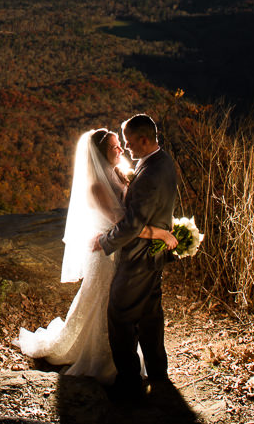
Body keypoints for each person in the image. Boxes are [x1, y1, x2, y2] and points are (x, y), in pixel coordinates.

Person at [17, 128, 177, 383]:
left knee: (120, 306)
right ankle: (106, 359)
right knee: (107, 304)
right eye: (115, 147)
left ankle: (127, 360)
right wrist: (160, 233)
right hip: (105, 253)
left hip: (119, 248)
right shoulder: (96, 186)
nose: (120, 150)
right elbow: (124, 223)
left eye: (120, 145)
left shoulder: (118, 173)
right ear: (102, 154)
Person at [96, 114, 178, 401]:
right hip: (153, 258)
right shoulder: (163, 161)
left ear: (144, 139)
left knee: (119, 316)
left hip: (139, 260)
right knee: (150, 316)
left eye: (129, 143)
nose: (127, 148)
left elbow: (132, 224)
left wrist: (105, 241)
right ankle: (158, 373)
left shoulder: (150, 175)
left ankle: (129, 383)